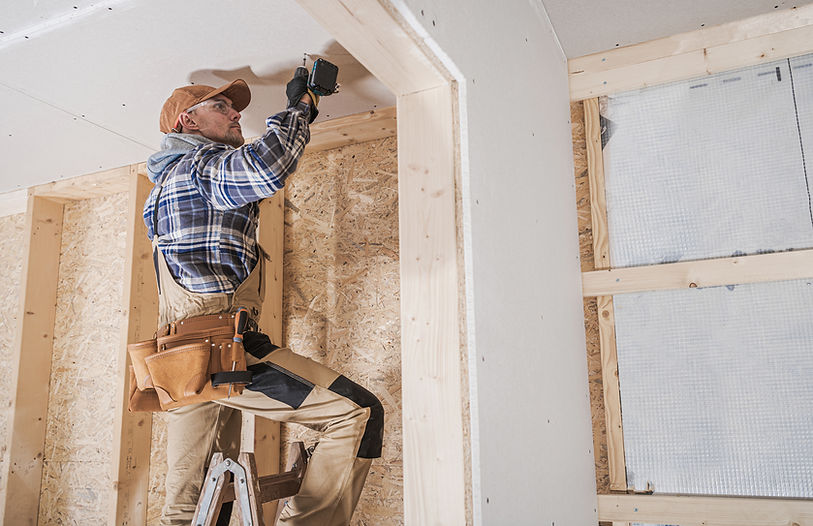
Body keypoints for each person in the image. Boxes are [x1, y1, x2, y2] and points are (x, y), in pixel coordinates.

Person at [144, 75, 383, 526]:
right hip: (220, 350)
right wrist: (301, 108)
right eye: (222, 108)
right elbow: (266, 168)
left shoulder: (165, 187)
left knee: (191, 506)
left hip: (180, 363)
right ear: (186, 122)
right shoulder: (198, 168)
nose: (237, 114)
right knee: (357, 413)